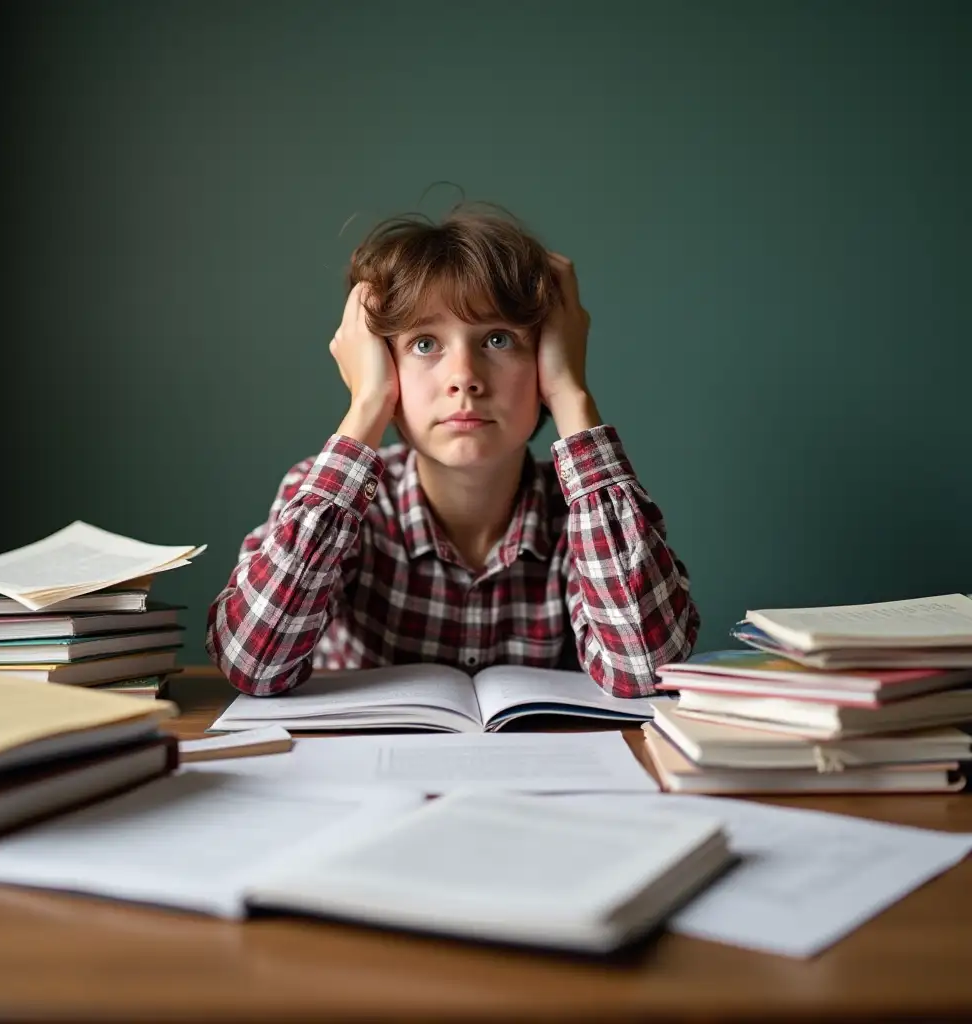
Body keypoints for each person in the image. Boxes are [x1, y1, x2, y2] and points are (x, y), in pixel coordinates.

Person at [205, 204, 699, 698]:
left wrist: (572, 393)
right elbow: (254, 663)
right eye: (424, 344)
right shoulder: (332, 501)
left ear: (546, 361)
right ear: (380, 365)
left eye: (498, 339)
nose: (464, 377)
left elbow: (644, 669)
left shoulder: (583, 514)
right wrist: (367, 405)